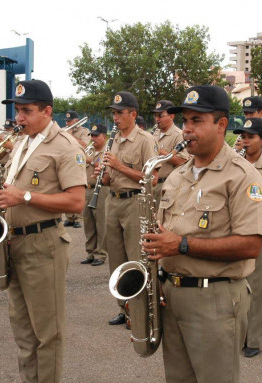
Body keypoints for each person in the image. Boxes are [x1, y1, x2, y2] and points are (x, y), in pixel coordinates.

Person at [142, 85, 262, 382]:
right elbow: (163, 236)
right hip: (172, 295)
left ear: (221, 124)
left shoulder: (243, 176)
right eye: (185, 121)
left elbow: (251, 245)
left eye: (196, 121)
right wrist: (156, 280)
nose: (187, 129)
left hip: (215, 298)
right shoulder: (176, 175)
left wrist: (182, 246)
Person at [0, 79, 86, 382]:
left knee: (48, 334)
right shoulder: (23, 142)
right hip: (14, 243)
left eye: (27, 111)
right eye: (18, 110)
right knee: (23, 332)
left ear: (47, 111)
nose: (19, 118)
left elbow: (76, 201)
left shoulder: (65, 146)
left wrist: (25, 197)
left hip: (43, 243)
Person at [99, 91, 159, 326]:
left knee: (136, 258)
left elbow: (152, 179)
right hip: (112, 201)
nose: (115, 118)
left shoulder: (146, 140)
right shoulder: (113, 139)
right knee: (116, 258)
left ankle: (140, 311)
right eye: (113, 113)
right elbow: (109, 175)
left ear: (133, 114)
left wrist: (120, 166)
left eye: (120, 113)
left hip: (135, 202)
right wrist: (103, 175)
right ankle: (124, 308)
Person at [234, 117, 262, 358]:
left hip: (257, 233)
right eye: (243, 136)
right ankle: (238, 335)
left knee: (257, 287)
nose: (244, 141)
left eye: (250, 137)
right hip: (235, 232)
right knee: (236, 285)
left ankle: (254, 339)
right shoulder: (235, 163)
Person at [80, 123, 109, 266]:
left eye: (96, 136)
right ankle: (90, 252)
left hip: (101, 189)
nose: (93, 138)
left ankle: (100, 253)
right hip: (87, 189)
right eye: (91, 135)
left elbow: (104, 167)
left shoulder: (107, 151)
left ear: (104, 136)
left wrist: (90, 160)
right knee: (88, 223)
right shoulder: (89, 150)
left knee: (101, 222)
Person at [151, 100, 188, 207]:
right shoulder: (154, 133)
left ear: (171, 116)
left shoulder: (179, 135)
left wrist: (160, 151)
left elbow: (183, 161)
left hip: (166, 185)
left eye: (160, 115)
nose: (157, 119)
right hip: (151, 184)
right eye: (155, 116)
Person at [62, 110, 88, 228]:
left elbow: (84, 145)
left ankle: (78, 218)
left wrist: (71, 135)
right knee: (66, 190)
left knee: (77, 189)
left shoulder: (84, 131)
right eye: (66, 121)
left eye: (70, 121)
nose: (67, 123)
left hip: (79, 162)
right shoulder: (64, 130)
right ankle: (69, 217)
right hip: (66, 162)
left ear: (76, 121)